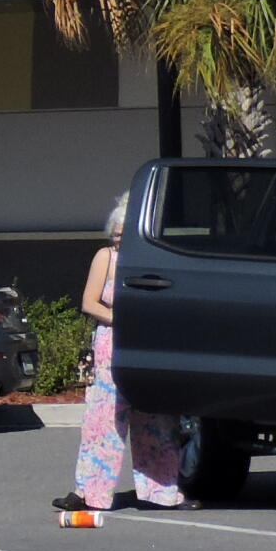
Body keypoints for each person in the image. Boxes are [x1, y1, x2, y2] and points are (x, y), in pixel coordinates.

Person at [57, 195, 184, 514]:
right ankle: (88, 492)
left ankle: (161, 491)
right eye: (114, 233)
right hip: (112, 342)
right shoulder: (105, 257)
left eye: (123, 234)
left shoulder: (153, 259)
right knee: (104, 419)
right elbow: (90, 303)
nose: (117, 239)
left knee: (155, 418)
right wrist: (124, 320)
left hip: (147, 344)